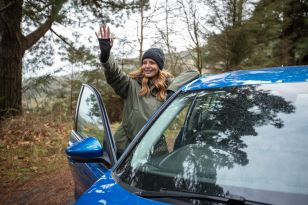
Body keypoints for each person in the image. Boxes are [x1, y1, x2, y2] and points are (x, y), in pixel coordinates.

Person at [96, 25, 199, 157]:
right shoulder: (131, 85)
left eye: (152, 63)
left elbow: (194, 73)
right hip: (125, 147)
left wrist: (172, 91)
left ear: (159, 66)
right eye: (144, 62)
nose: (147, 66)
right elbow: (114, 74)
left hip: (154, 147)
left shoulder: (168, 86)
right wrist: (106, 55)